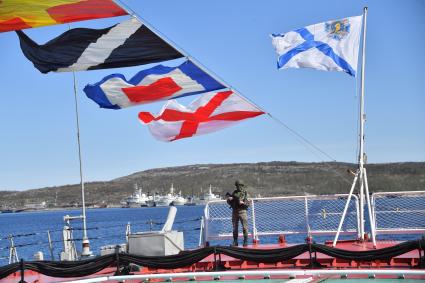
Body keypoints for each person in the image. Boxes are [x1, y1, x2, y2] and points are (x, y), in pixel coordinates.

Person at [226, 180, 249, 247]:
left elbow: (249, 203)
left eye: (238, 185)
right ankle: (235, 242)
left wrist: (243, 203)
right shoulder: (234, 193)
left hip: (242, 212)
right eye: (237, 185)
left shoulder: (245, 193)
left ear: (241, 185)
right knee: (235, 228)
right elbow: (230, 202)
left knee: (245, 227)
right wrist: (229, 200)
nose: (237, 187)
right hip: (235, 211)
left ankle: (245, 241)